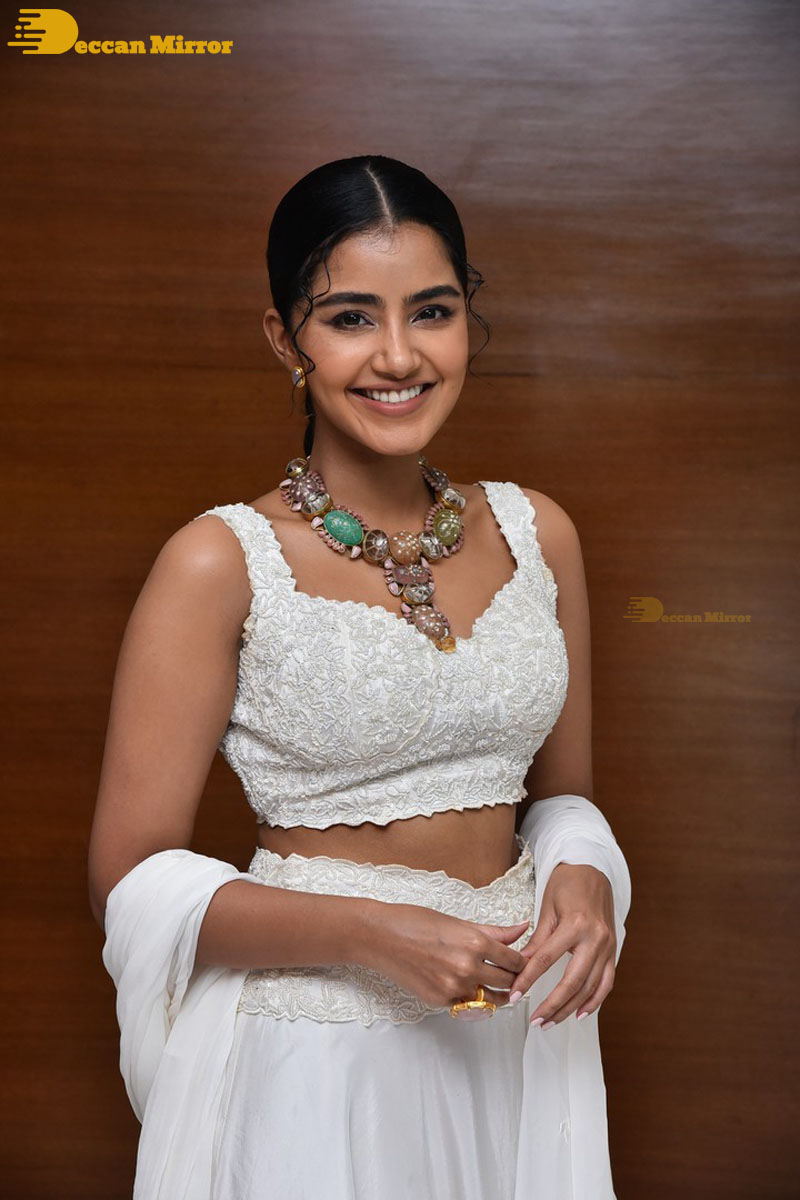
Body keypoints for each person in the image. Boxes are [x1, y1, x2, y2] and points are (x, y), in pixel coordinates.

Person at [88, 154, 632, 1200]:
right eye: (349, 318)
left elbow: (561, 796)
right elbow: (130, 878)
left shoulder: (538, 534)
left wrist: (584, 874)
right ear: (283, 338)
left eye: (431, 311)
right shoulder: (219, 562)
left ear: (467, 319)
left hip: (513, 1032)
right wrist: (370, 934)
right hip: (313, 1056)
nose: (397, 355)